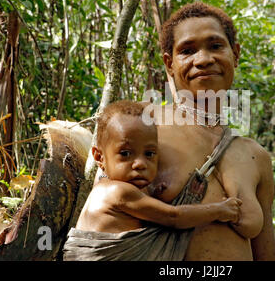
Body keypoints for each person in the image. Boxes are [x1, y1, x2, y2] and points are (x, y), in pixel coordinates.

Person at [95, 2, 275, 261]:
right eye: (188, 51)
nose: (203, 60)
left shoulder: (256, 156)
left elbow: (265, 255)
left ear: (235, 54)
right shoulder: (142, 124)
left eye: (215, 46)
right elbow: (102, 228)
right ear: (170, 64)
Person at [63, 100, 242, 261]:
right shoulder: (116, 191)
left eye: (149, 154)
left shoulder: (125, 191)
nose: (140, 164)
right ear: (99, 157)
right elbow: (174, 216)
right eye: (125, 154)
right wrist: (220, 210)